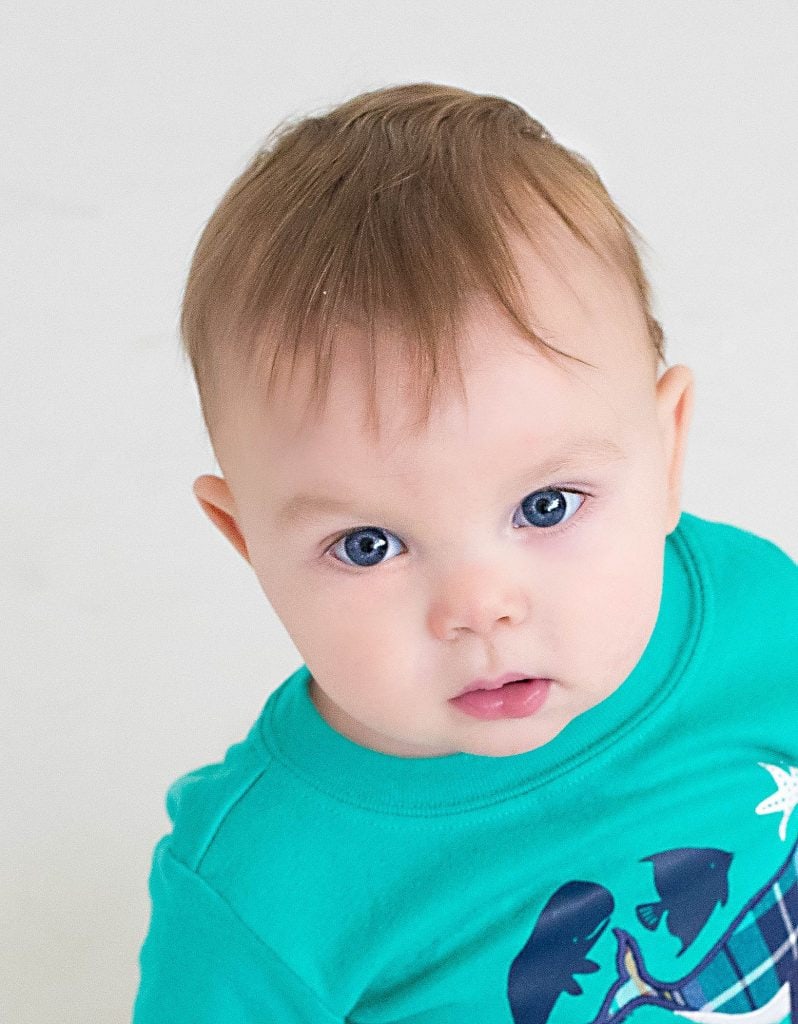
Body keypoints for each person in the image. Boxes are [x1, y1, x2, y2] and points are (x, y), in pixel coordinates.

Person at [132, 82, 798, 1023]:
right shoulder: (258, 893)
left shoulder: (757, 613)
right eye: (368, 545)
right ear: (246, 539)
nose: (480, 606)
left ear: (668, 449)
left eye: (546, 504)